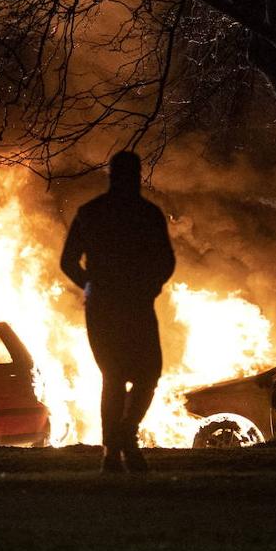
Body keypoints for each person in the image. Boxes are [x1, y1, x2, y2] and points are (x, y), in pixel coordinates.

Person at [60, 151, 175, 473]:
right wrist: (151, 285)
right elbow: (166, 260)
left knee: (123, 377)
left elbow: (68, 261)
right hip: (127, 305)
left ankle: (118, 443)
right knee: (138, 375)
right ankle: (121, 444)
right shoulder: (145, 213)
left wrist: (89, 284)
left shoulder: (94, 212)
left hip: (112, 306)